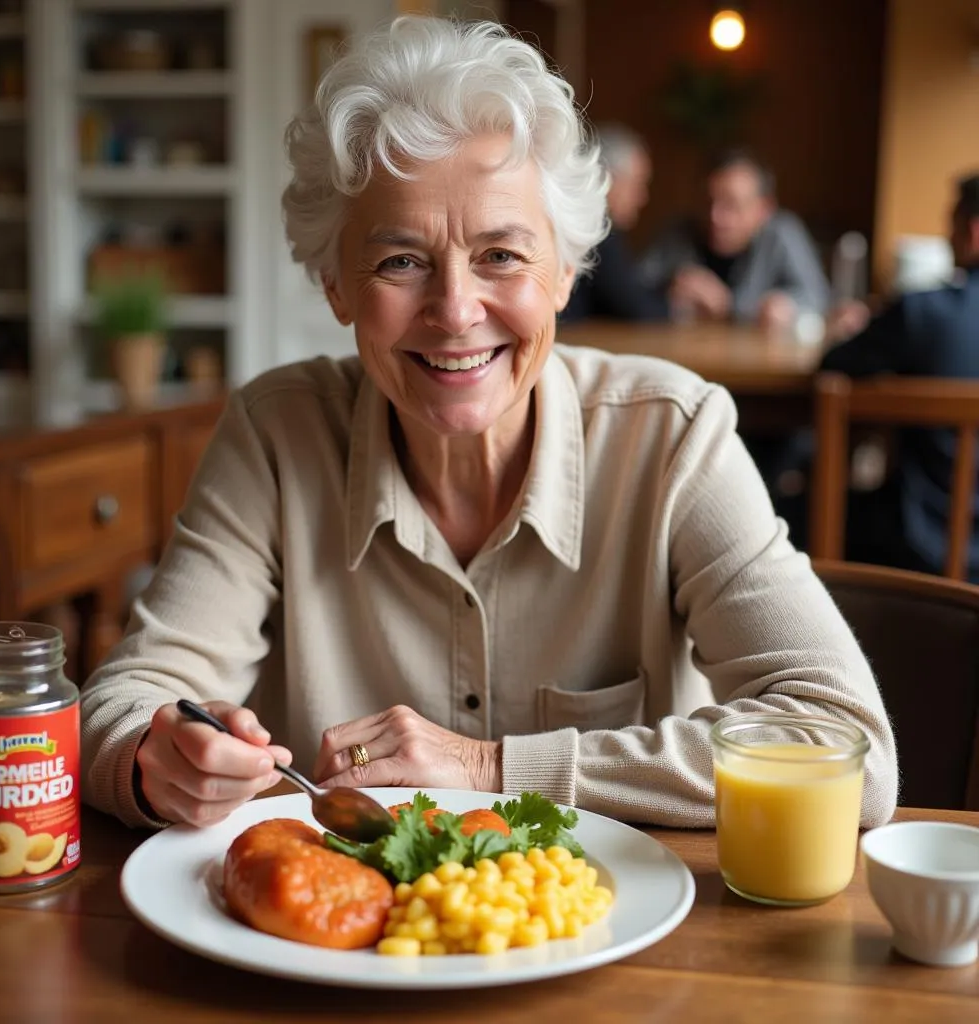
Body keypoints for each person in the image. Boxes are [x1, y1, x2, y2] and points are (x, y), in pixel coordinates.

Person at [79, 17, 897, 832]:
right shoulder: (275, 435)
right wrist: (158, 764)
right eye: (400, 261)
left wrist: (489, 767)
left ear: (566, 272)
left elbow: (846, 747)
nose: (456, 310)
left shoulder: (675, 437)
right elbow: (119, 704)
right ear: (335, 286)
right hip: (346, 947)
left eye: (502, 256)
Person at [819, 172, 979, 580]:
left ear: (973, 231)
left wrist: (859, 327)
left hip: (921, 548)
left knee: (796, 508)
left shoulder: (924, 314)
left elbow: (833, 364)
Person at [637, 148, 831, 331]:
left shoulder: (782, 233)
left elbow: (819, 298)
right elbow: (633, 289)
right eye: (707, 201)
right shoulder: (678, 232)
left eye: (731, 205)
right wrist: (668, 290)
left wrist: (732, 306)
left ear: (764, 209)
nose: (715, 216)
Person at [559, 124, 666, 322]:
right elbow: (636, 310)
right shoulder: (596, 227)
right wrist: (678, 307)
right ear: (606, 178)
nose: (642, 197)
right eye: (637, 184)